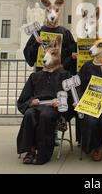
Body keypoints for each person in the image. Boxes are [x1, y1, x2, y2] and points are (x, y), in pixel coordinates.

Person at [16, 37, 74, 165]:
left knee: (45, 116)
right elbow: (24, 98)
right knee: (29, 114)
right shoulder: (35, 76)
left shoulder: (65, 75)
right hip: (37, 105)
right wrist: (31, 101)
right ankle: (30, 150)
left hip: (54, 108)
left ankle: (43, 154)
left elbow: (71, 96)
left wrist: (60, 101)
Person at [23, 0, 76, 72]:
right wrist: (36, 43)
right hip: (42, 76)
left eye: (56, 11)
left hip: (60, 76)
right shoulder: (38, 32)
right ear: (46, 12)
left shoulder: (65, 33)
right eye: (49, 11)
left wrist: (63, 66)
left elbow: (72, 56)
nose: (52, 15)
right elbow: (29, 57)